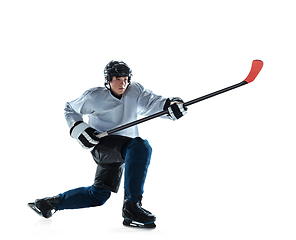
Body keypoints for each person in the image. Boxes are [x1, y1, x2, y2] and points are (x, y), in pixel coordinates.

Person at [28, 60, 187, 228]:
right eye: (117, 79)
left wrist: (170, 105)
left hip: (126, 150)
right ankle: (132, 207)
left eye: (125, 79)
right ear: (108, 80)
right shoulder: (95, 97)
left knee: (97, 196)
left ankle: (47, 204)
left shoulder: (135, 91)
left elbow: (153, 103)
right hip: (103, 146)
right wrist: (80, 129)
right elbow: (70, 109)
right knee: (141, 146)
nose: (122, 83)